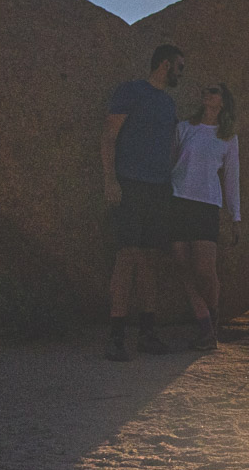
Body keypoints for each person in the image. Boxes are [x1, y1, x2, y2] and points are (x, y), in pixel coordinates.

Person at [101, 44, 184, 361]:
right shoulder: (131, 91)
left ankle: (148, 334)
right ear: (164, 64)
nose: (180, 73)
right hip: (131, 185)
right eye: (179, 67)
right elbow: (109, 135)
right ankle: (116, 336)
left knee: (150, 259)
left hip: (159, 189)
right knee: (127, 256)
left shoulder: (168, 103)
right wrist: (110, 179)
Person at [169, 82, 241, 350]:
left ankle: (213, 320)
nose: (206, 94)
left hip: (206, 205)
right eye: (205, 90)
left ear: (222, 101)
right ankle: (205, 328)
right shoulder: (185, 128)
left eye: (214, 91)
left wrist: (236, 216)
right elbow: (172, 162)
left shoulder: (228, 137)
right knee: (181, 265)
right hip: (177, 201)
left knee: (205, 270)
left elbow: (232, 178)